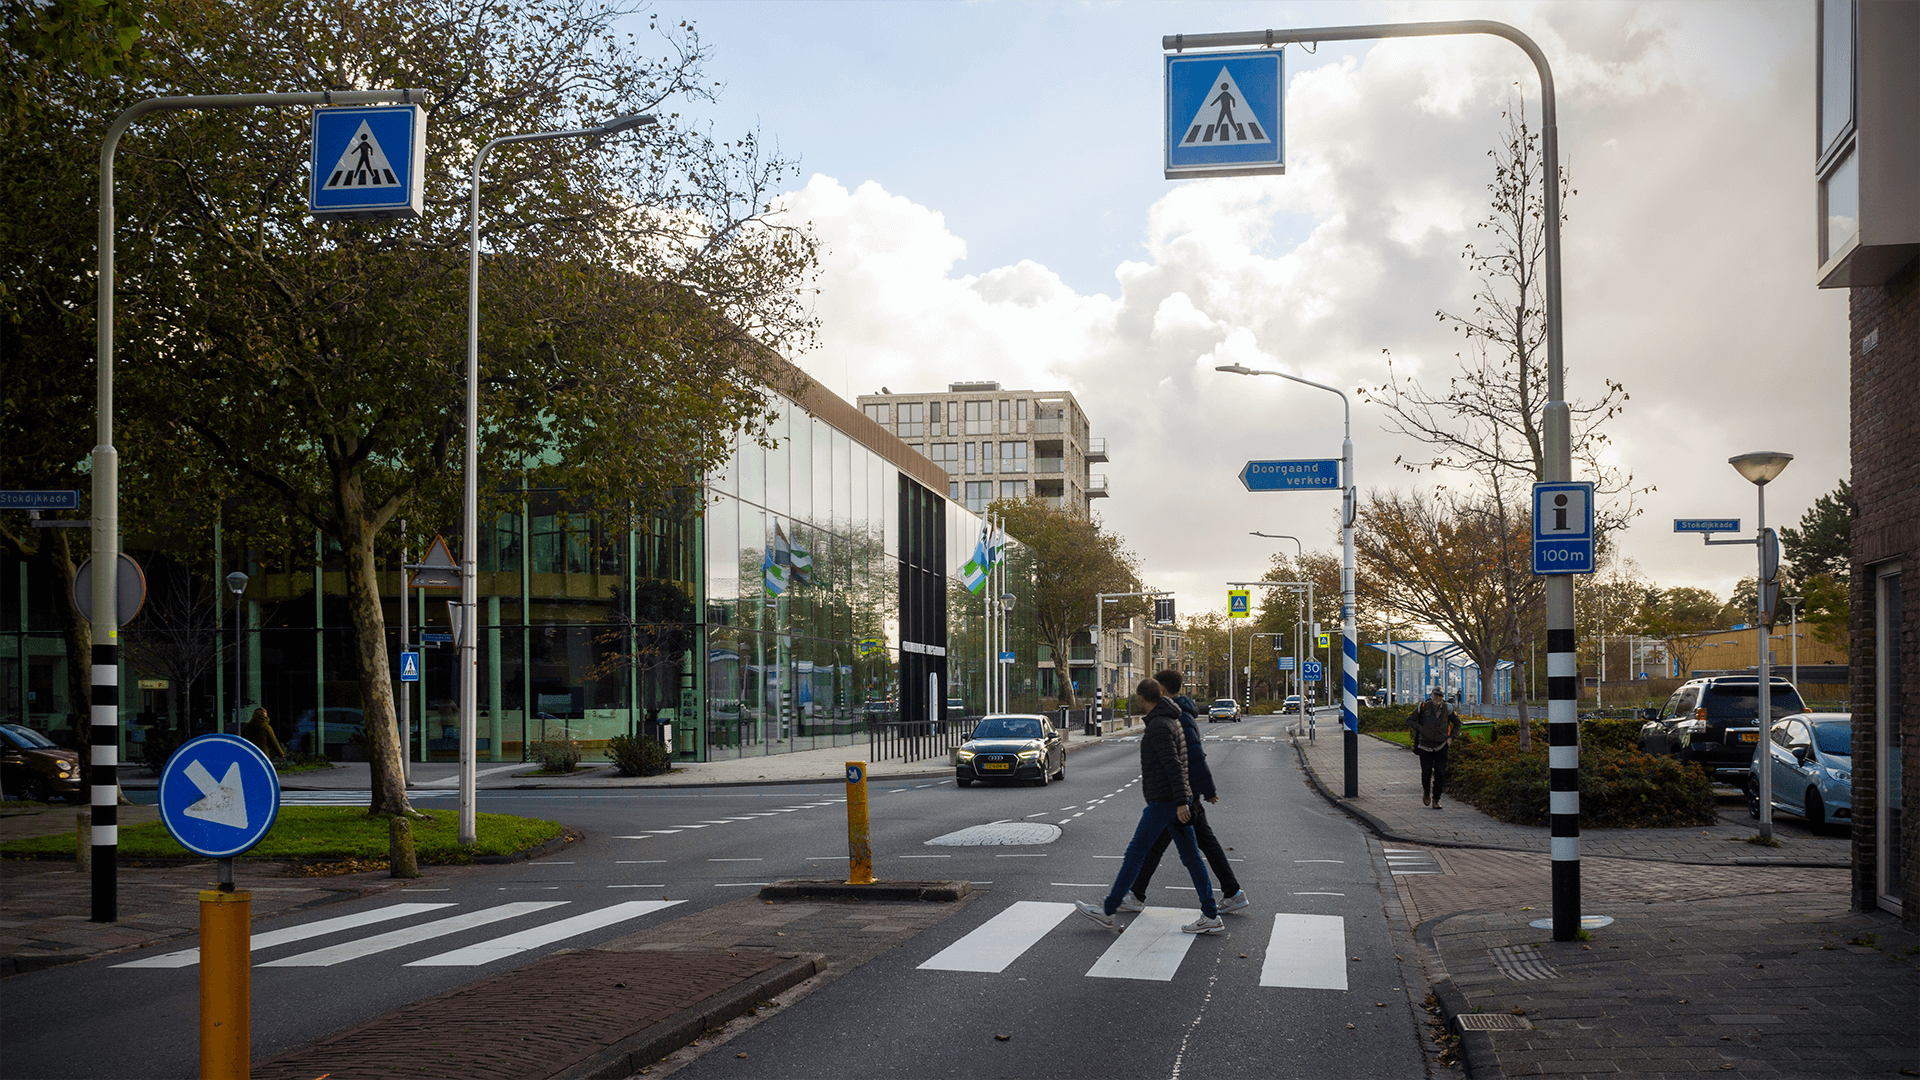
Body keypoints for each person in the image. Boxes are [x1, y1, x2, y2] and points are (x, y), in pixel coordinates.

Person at [1077, 679, 1223, 936]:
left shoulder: (1158, 725)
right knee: (1191, 857)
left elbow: (1174, 765)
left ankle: (1108, 911)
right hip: (1175, 799)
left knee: (1135, 853)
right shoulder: (1173, 719)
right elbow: (1182, 762)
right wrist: (1186, 799)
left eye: (1138, 698)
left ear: (1143, 698)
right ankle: (1210, 915)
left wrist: (1179, 802)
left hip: (1165, 801)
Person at [1117, 670, 1249, 915]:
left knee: (1201, 845)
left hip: (1181, 797)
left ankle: (1232, 892)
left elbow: (1192, 756)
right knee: (1161, 845)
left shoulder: (1178, 717)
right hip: (1179, 795)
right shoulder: (1180, 713)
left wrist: (1204, 791)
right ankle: (1136, 894)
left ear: (1164, 690)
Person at [1408, 687, 1462, 808]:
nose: (1437, 700)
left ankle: (1436, 799)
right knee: (1426, 772)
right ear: (1431, 696)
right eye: (1435, 697)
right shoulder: (1423, 707)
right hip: (1425, 746)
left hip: (1441, 745)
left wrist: (1451, 738)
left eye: (1440, 697)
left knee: (1440, 773)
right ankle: (1426, 792)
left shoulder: (1448, 709)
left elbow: (1458, 724)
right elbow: (1410, 720)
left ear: (1443, 698)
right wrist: (1421, 728)